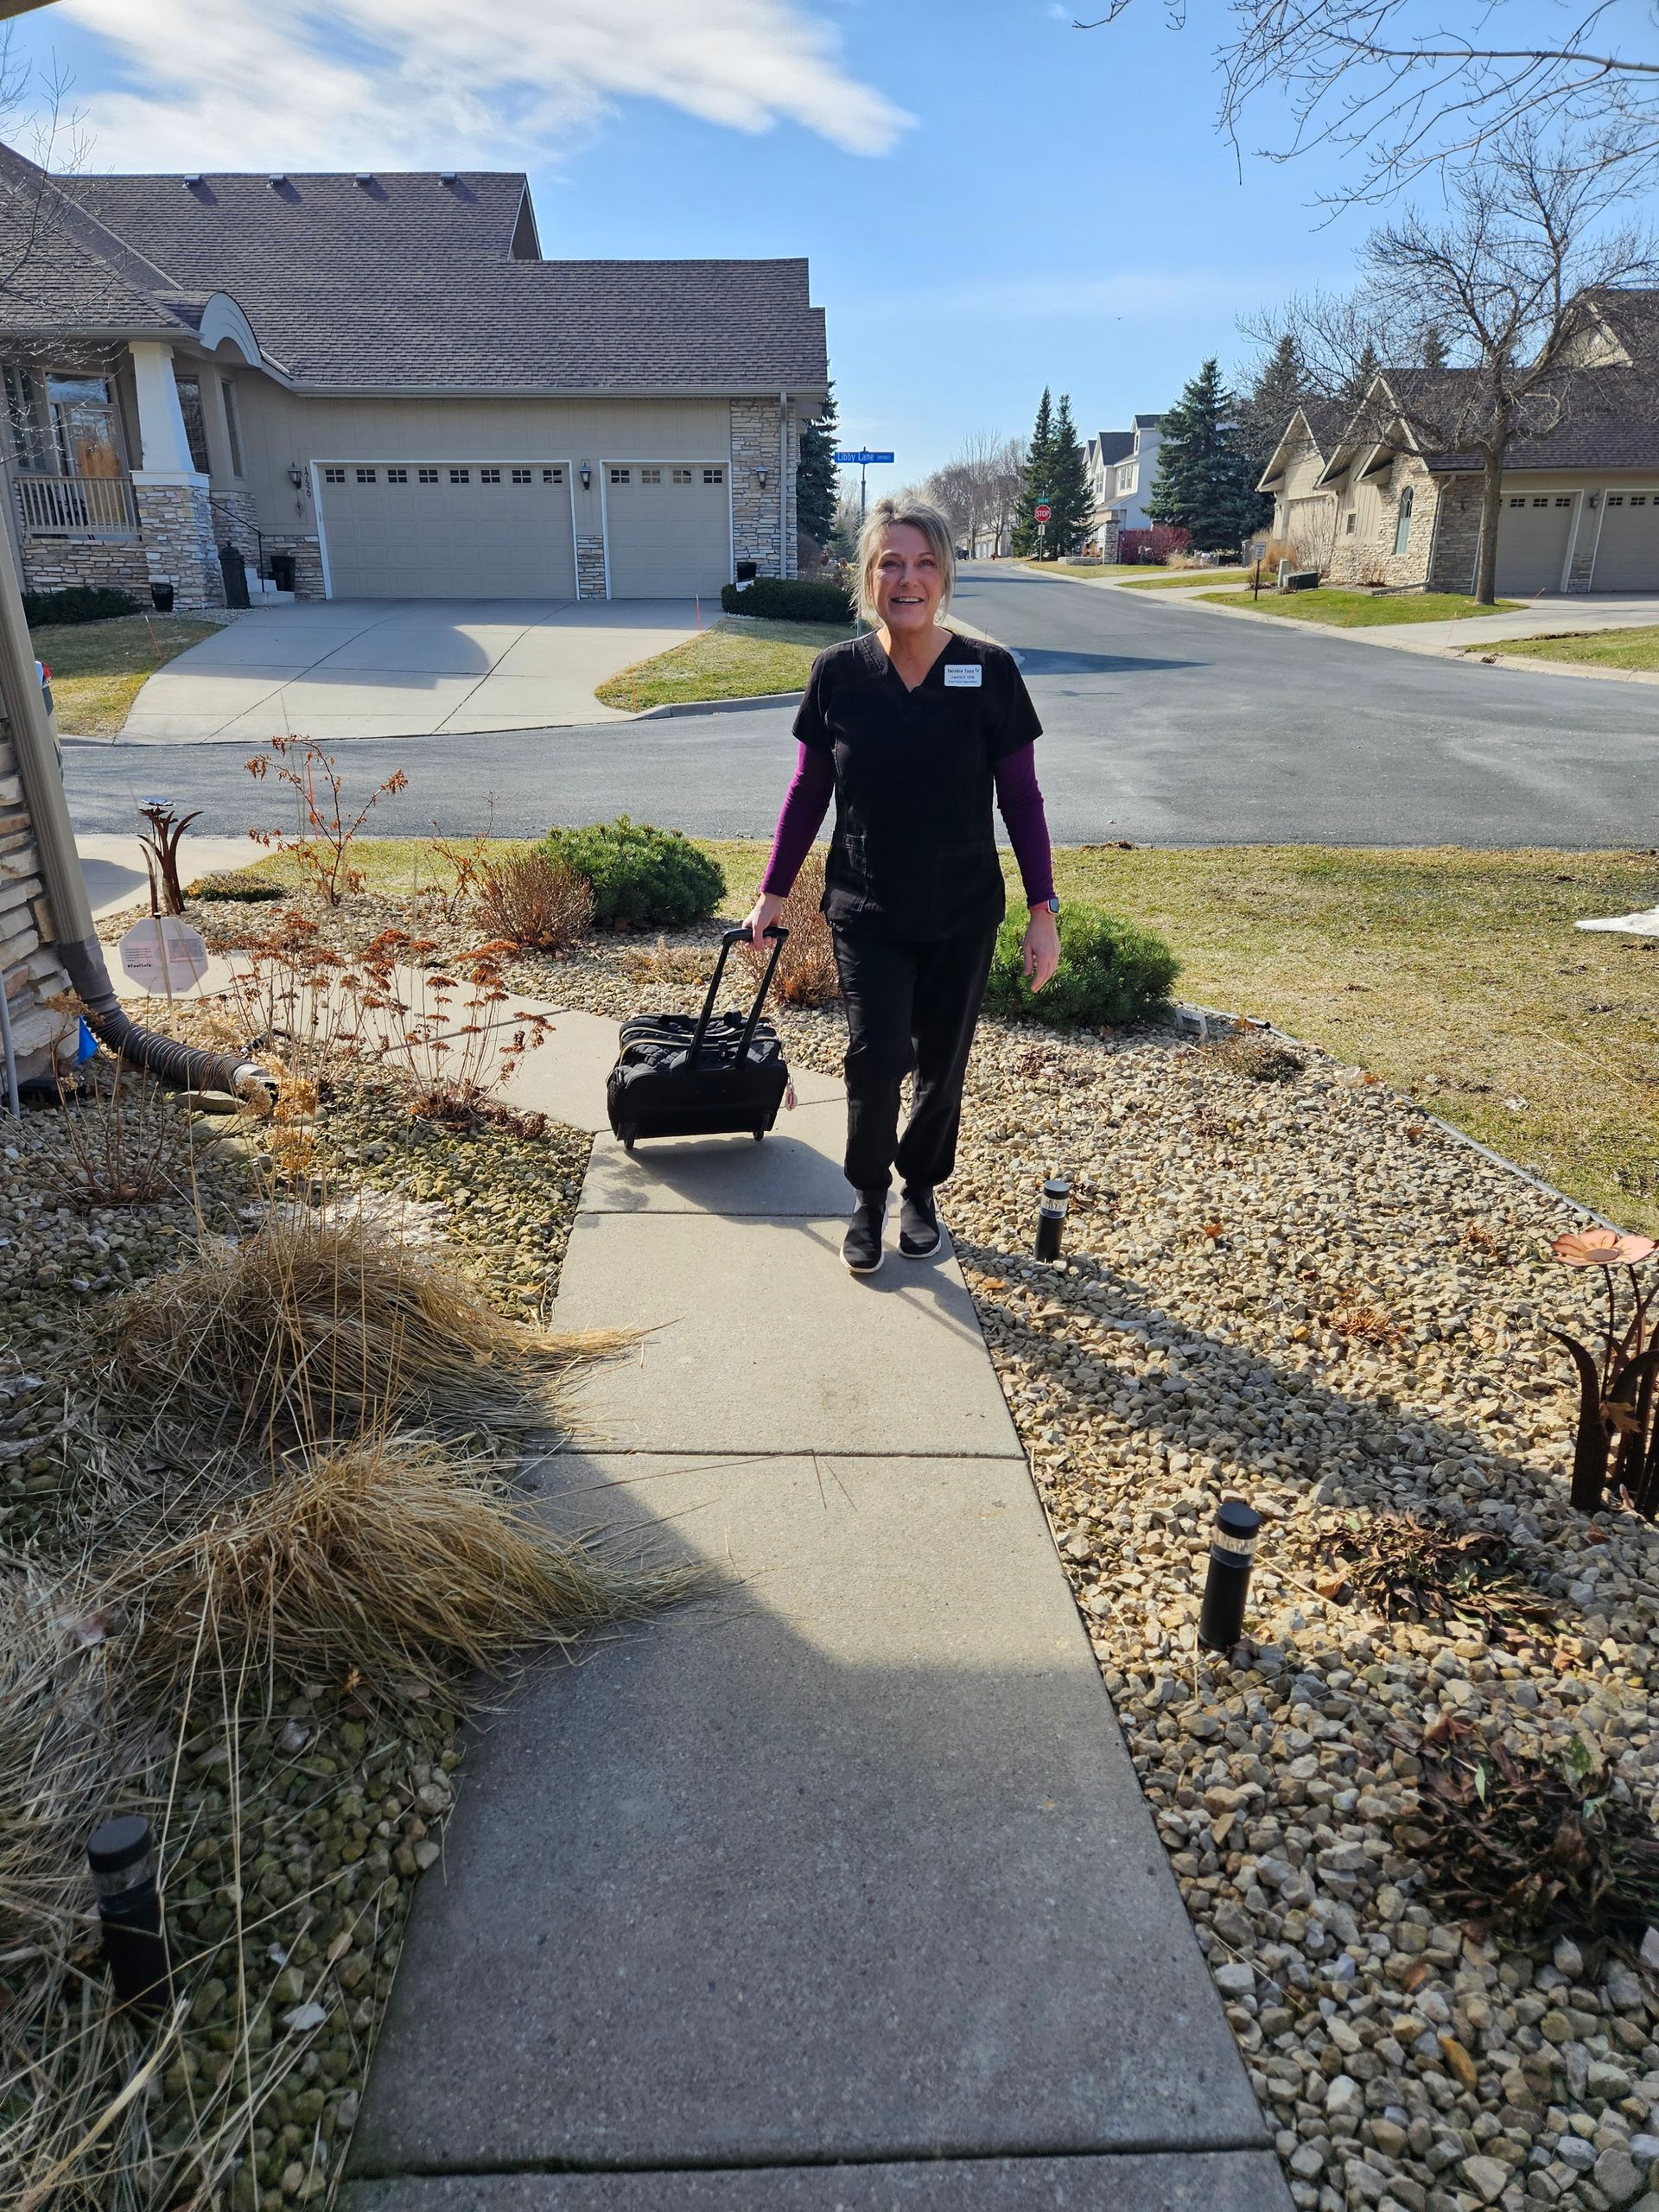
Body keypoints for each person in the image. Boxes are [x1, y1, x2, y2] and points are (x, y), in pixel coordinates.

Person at [742, 497, 1059, 1275]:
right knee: (878, 1054)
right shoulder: (839, 675)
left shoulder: (990, 672)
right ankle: (868, 1195)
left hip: (962, 909)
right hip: (867, 906)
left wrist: (1042, 909)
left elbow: (1021, 798)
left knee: (943, 1059)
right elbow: (808, 792)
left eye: (922, 563)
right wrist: (772, 891)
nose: (907, 578)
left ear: (944, 575)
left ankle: (920, 1187)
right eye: (891, 562)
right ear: (868, 576)